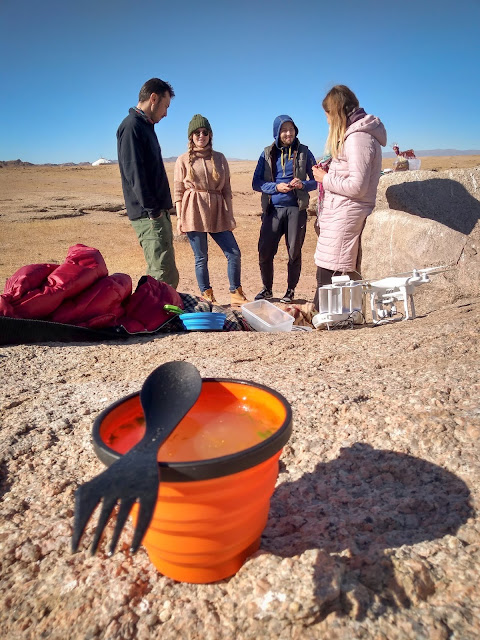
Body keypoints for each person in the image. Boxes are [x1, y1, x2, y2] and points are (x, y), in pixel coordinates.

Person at [312, 85, 387, 308]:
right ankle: (323, 315)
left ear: (336, 112)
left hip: (347, 210)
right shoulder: (355, 134)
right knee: (326, 269)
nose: (326, 121)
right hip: (341, 208)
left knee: (329, 270)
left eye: (327, 114)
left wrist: (324, 178)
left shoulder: (358, 138)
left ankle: (323, 318)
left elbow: (358, 186)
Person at [174, 114, 248, 306]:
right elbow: (178, 192)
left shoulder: (220, 158)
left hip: (217, 211)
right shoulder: (182, 160)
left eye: (205, 132)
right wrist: (180, 218)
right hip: (193, 210)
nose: (201, 135)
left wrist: (230, 215)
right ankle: (207, 295)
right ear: (191, 136)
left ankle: (236, 293)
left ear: (210, 135)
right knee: (201, 257)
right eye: (197, 132)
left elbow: (227, 189)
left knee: (234, 253)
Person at [117, 78, 179, 288]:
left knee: (166, 272)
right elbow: (135, 173)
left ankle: (158, 316)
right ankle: (156, 319)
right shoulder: (132, 127)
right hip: (149, 215)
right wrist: (154, 212)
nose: (166, 113)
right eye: (165, 106)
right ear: (153, 98)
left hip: (155, 212)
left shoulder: (144, 126)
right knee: (162, 275)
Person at [252, 115, 317, 303]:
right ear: (277, 133)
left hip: (296, 209)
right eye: (283, 130)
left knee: (294, 251)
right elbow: (256, 182)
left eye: (291, 129)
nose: (288, 133)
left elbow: (317, 180)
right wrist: (275, 188)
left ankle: (290, 290)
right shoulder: (267, 153)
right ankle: (267, 289)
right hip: (272, 209)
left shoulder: (304, 152)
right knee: (265, 250)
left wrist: (302, 184)